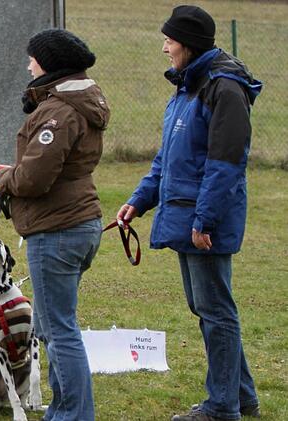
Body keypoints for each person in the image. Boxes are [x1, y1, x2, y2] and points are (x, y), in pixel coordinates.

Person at [117, 5, 262, 421]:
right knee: (208, 307)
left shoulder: (224, 89)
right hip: (186, 215)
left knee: (216, 310)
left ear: (189, 43)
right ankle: (242, 396)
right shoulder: (188, 86)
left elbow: (226, 164)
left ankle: (222, 406)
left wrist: (206, 221)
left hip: (204, 221)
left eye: (170, 40)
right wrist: (140, 200)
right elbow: (169, 158)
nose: (164, 47)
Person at [0, 29, 109, 421]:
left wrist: (4, 180)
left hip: (58, 229)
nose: (28, 64)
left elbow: (36, 179)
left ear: (49, 64)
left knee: (59, 331)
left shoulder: (59, 111)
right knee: (53, 325)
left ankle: (74, 414)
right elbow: (51, 167)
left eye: (33, 58)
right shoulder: (72, 104)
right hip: (76, 221)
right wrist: (13, 172)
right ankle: (63, 409)